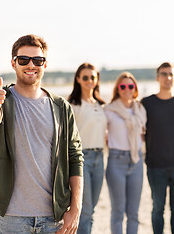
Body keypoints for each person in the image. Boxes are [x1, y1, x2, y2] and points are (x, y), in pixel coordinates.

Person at [0, 34, 84, 234]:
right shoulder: (2, 100)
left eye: (38, 60)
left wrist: (75, 208)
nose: (31, 65)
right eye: (23, 60)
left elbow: (75, 157)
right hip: (12, 217)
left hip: (54, 216)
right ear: (13, 63)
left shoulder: (61, 107)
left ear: (45, 64)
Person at [141, 62, 174, 234]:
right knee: (158, 208)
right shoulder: (146, 103)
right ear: (157, 77)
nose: (167, 77)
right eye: (163, 74)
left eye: (171, 74)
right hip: (155, 166)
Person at [104, 72, 146, 234]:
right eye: (123, 86)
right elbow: (102, 134)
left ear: (135, 88)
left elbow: (142, 134)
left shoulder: (140, 110)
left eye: (130, 86)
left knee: (134, 213)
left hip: (136, 161)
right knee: (118, 212)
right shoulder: (109, 110)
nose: (127, 89)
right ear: (118, 89)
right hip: (116, 161)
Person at [68, 63, 107, 234]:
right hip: (82, 159)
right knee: (85, 208)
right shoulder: (72, 105)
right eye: (85, 77)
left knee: (91, 209)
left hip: (100, 158)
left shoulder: (100, 104)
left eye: (93, 77)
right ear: (78, 79)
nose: (89, 80)